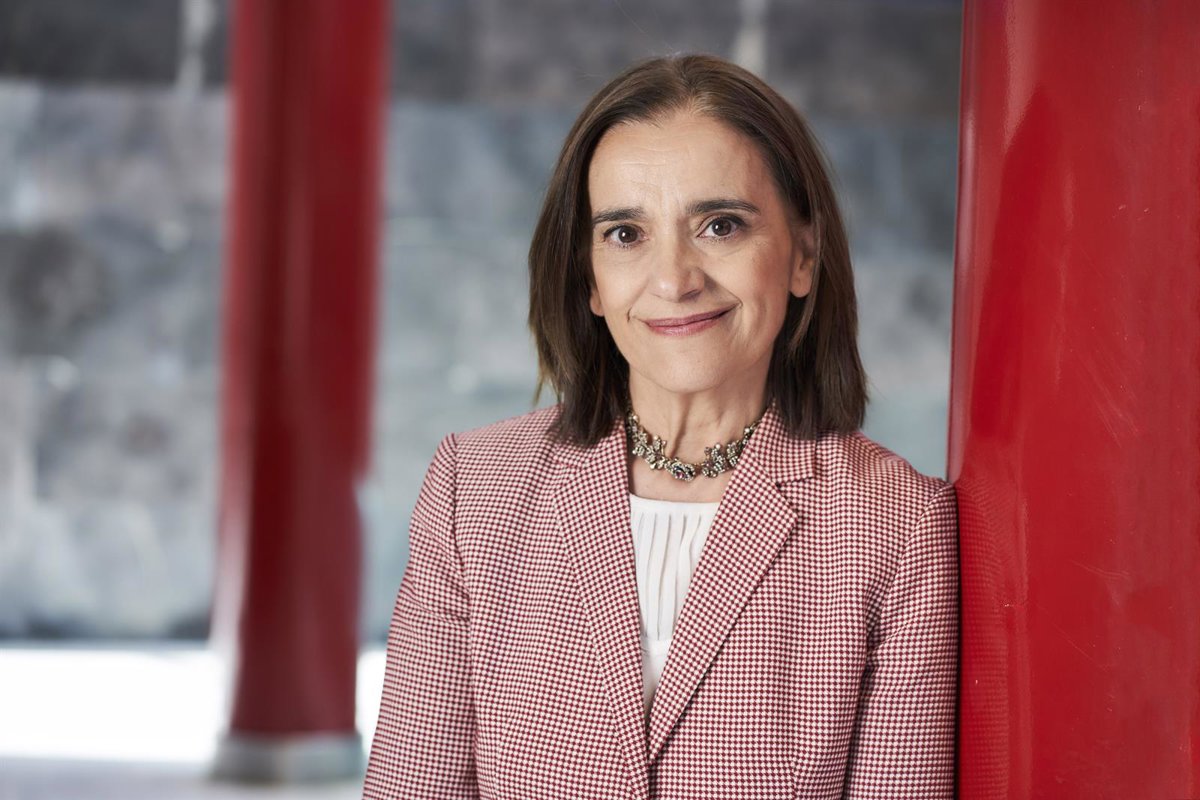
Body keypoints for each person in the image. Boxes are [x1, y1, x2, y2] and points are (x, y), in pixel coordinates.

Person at [363, 53, 959, 800]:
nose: (675, 279)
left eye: (720, 225)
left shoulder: (898, 526)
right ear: (589, 277)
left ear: (803, 256)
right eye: (625, 234)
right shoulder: (474, 489)